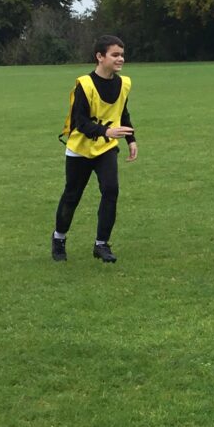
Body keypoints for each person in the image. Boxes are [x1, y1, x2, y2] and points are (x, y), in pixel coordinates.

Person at [52, 35, 137, 263]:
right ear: (100, 57)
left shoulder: (124, 83)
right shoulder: (85, 84)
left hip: (106, 148)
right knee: (72, 196)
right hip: (80, 148)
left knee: (111, 190)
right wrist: (106, 132)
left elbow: (122, 113)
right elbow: (80, 122)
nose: (121, 59)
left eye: (122, 54)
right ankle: (59, 238)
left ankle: (102, 244)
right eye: (115, 55)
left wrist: (131, 139)